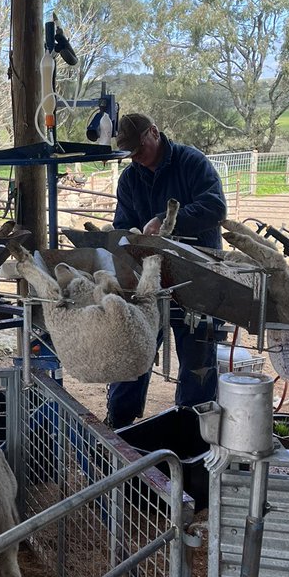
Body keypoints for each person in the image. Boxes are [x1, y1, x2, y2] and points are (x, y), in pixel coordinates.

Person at [106, 113, 227, 430]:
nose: (135, 157)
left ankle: (191, 427)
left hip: (199, 272)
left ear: (154, 133)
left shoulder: (191, 162)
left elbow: (216, 207)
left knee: (197, 358)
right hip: (151, 277)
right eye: (129, 153)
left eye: (138, 149)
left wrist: (167, 221)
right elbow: (122, 226)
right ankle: (120, 421)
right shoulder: (130, 179)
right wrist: (130, 237)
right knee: (134, 345)